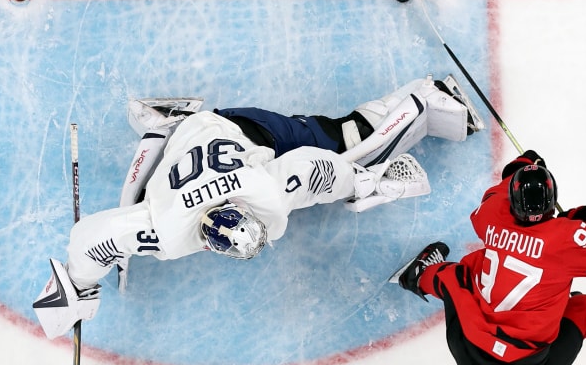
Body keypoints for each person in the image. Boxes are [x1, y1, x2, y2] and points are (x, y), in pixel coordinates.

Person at [33, 75, 484, 338]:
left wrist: (362, 179)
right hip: (220, 132)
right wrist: (77, 280)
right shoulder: (255, 196)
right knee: (345, 151)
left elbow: (317, 170)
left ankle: (429, 94)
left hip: (247, 131)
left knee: (352, 142)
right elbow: (98, 238)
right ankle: (169, 121)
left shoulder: (171, 229)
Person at [392, 150, 586, 365]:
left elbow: (498, 192)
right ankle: (557, 305)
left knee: (463, 273)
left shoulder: (491, 214)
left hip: (467, 349)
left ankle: (419, 275)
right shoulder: (568, 240)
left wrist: (520, 166)